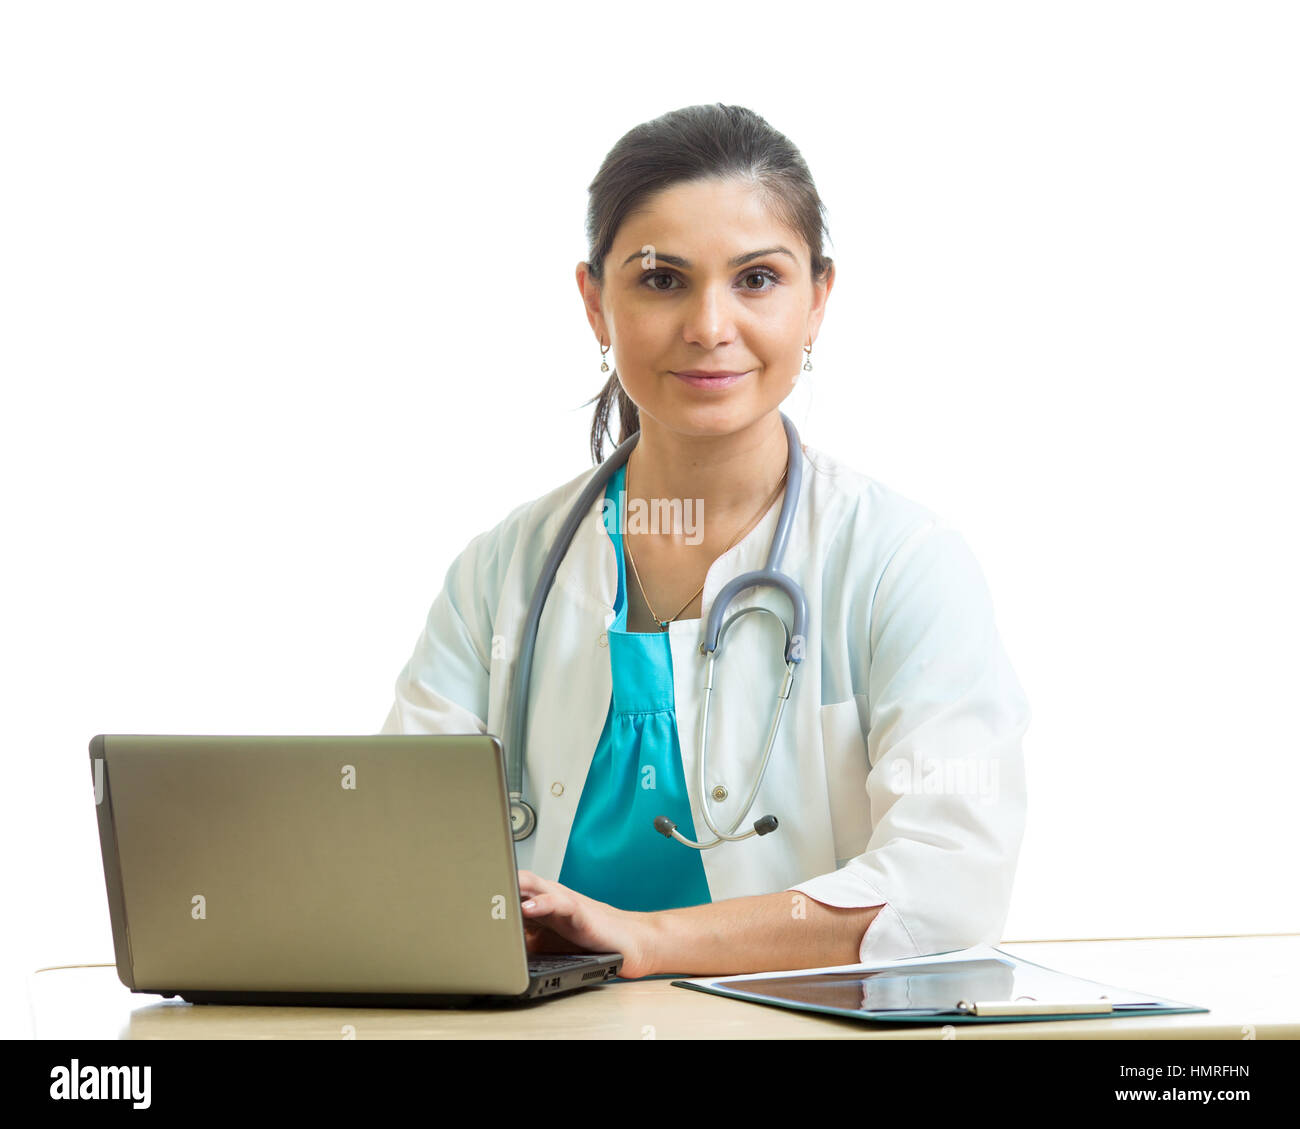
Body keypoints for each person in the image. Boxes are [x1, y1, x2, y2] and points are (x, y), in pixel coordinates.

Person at [380, 103, 1030, 979]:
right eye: (661, 280)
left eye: (758, 279)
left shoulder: (900, 566)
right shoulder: (502, 575)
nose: (710, 326)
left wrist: (648, 940)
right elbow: (392, 853)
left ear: (818, 301)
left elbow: (950, 879)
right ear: (593, 302)